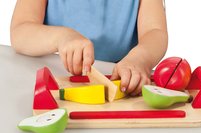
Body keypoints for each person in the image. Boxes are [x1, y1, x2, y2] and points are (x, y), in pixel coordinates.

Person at [10, 0, 168, 96]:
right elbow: (20, 31)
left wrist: (140, 58)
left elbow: (155, 32)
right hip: (54, 78)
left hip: (122, 80)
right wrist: (61, 37)